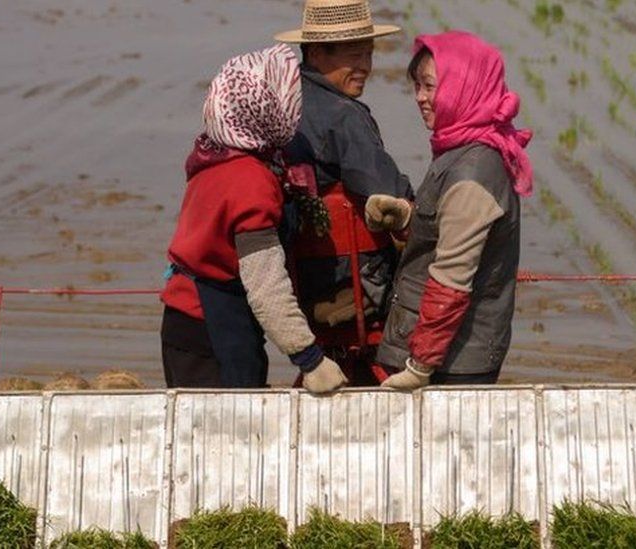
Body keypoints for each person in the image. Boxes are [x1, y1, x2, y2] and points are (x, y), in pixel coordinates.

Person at [159, 44, 347, 394]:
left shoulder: (212, 153)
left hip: (185, 320)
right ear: (268, 107)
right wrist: (310, 359)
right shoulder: (251, 182)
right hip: (213, 328)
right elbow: (265, 284)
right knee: (227, 437)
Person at [371, 30, 534, 389]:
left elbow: (452, 278)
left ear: (464, 86)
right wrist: (406, 218)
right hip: (444, 351)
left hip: (454, 363)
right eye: (417, 86)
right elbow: (448, 230)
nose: (421, 98)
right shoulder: (460, 147)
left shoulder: (474, 171)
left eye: (430, 86)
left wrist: (419, 366)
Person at [274, 0, 414, 385]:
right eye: (355, 55)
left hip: (298, 280)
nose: (366, 66)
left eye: (369, 54)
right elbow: (390, 191)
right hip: (351, 283)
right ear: (317, 52)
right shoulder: (344, 116)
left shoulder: (281, 106)